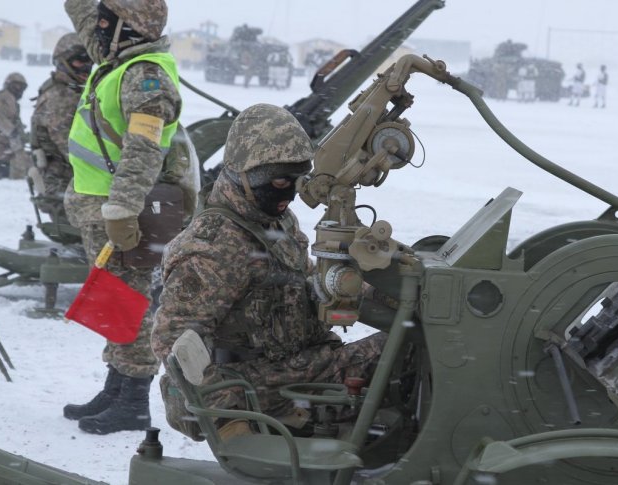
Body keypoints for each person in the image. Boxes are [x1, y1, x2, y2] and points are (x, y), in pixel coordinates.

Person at [152, 103, 387, 441]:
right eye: (278, 180)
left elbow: (306, 281)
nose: (288, 193)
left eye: (296, 180)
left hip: (302, 363)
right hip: (256, 384)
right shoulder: (213, 246)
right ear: (242, 173)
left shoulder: (275, 220)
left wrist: (375, 291)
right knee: (404, 354)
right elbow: (174, 340)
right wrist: (227, 418)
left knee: (412, 346)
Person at [61, 0, 182, 435]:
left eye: (108, 20)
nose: (99, 26)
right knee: (112, 300)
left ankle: (132, 402)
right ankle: (116, 387)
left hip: (124, 213)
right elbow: (82, 13)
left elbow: (143, 151)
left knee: (130, 304)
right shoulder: (117, 61)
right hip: (102, 209)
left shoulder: (144, 77)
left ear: (127, 29)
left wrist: (122, 208)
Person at [29, 33, 94, 222]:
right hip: (66, 192)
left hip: (71, 186)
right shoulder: (60, 99)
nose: (86, 67)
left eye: (89, 61)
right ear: (62, 62)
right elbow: (77, 153)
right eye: (78, 61)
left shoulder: (71, 91)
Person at [0, 72, 28, 180]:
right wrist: (12, 131)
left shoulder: (10, 99)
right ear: (8, 85)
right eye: (16, 86)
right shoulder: (4, 97)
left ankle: (4, 172)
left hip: (3, 142)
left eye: (21, 87)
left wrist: (20, 133)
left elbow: (12, 120)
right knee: (18, 161)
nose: (18, 89)